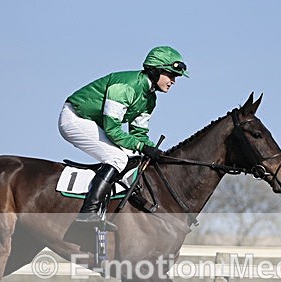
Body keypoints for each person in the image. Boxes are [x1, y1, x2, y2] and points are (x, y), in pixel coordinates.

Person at [58, 46, 189, 227]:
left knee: (135, 158)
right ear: (155, 70)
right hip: (75, 118)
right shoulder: (125, 88)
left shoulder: (150, 99)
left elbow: (139, 134)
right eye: (171, 75)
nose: (173, 81)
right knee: (117, 158)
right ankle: (88, 215)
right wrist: (144, 147)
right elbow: (113, 131)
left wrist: (155, 152)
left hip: (94, 123)